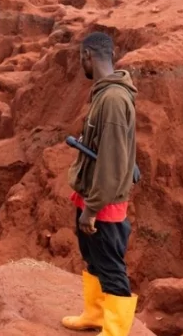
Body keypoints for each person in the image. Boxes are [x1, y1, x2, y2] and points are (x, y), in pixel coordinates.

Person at [61, 32, 139, 336]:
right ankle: (94, 316)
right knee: (93, 258)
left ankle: (115, 332)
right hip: (92, 194)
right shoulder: (105, 93)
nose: (82, 63)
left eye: (82, 58)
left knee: (111, 268)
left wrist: (92, 209)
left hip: (103, 202)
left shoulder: (114, 99)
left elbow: (112, 161)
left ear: (88, 56)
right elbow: (111, 146)